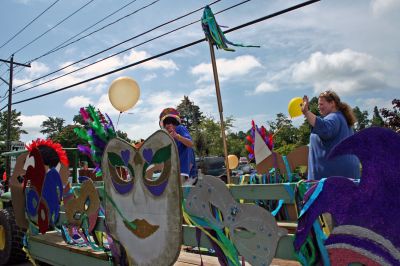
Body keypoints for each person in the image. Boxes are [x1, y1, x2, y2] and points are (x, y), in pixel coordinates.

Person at [302, 90, 360, 180]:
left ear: (332, 103)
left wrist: (306, 112)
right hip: (349, 175)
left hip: (333, 178)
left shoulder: (334, 117)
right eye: (318, 104)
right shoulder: (342, 119)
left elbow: (324, 129)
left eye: (321, 104)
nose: (318, 107)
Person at [159, 108, 197, 185]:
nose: (169, 125)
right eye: (166, 123)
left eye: (171, 122)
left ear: (175, 123)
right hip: (178, 173)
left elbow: (190, 144)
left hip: (185, 173)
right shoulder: (169, 139)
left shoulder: (179, 129)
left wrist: (178, 136)